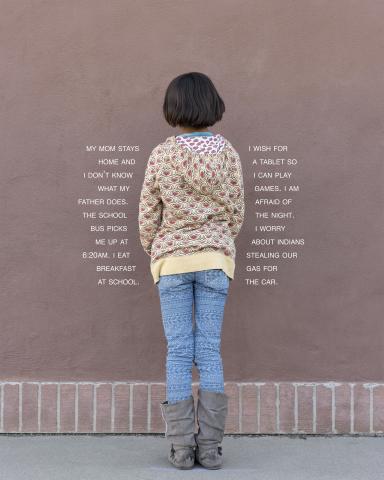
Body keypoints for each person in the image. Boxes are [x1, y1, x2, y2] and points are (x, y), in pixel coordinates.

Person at [138, 72, 245, 470]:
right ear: (212, 105)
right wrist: (219, 241)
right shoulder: (226, 152)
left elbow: (148, 213)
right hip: (216, 260)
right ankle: (212, 449)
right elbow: (237, 209)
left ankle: (182, 449)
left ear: (174, 108)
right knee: (210, 349)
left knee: (179, 351)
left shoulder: (162, 154)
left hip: (172, 262)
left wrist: (156, 250)